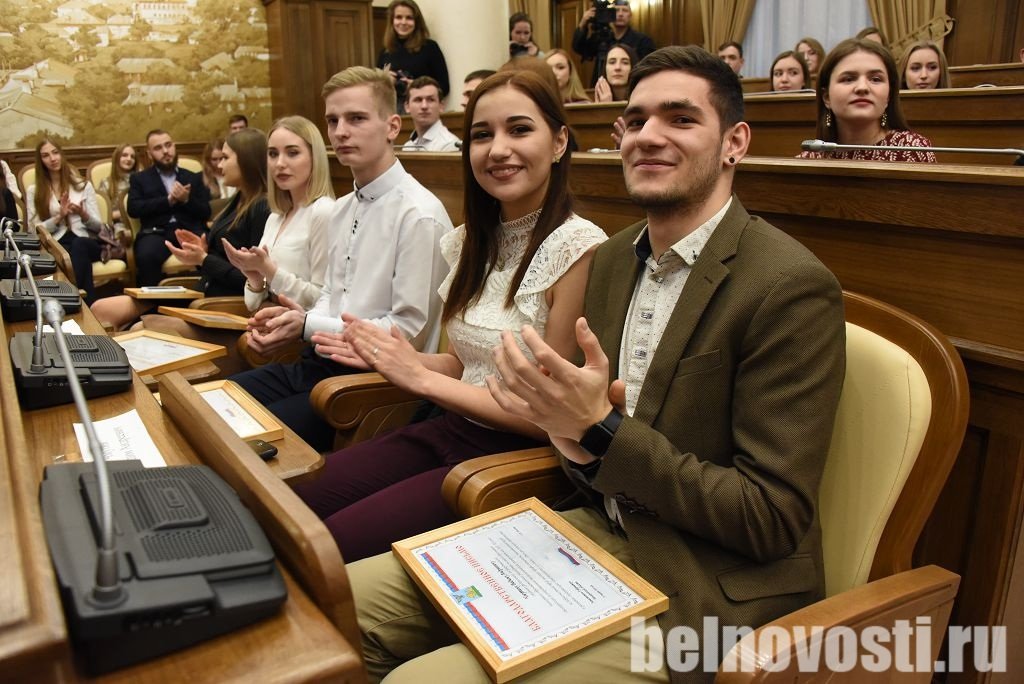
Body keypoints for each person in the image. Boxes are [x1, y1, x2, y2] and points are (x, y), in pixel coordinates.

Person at [348, 45, 846, 680]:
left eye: (680, 119)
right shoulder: (612, 261)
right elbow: (583, 442)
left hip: (708, 580)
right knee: (341, 600)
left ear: (735, 142)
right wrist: (572, 433)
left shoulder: (788, 284)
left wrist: (596, 432)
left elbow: (770, 518)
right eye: (635, 121)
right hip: (589, 527)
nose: (649, 137)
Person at [293, 69, 605, 562]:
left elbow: (554, 418)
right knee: (294, 502)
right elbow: (464, 366)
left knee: (327, 545)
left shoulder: (579, 248)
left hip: (511, 460)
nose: (497, 149)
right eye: (482, 135)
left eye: (519, 130)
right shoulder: (468, 242)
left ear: (560, 141)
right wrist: (392, 356)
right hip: (448, 427)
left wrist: (419, 375)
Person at [229, 66, 452, 453]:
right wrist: (292, 322)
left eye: (357, 118)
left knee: (244, 439)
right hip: (319, 362)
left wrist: (306, 326)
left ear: (393, 126)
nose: (340, 132)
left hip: (376, 382)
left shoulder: (419, 214)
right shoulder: (342, 208)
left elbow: (408, 331)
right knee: (215, 402)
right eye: (333, 120)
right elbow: (331, 295)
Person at [91, 129, 272, 329]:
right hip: (203, 289)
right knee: (101, 308)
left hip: (218, 303)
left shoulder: (261, 207)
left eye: (225, 158)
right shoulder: (239, 198)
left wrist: (203, 258)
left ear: (246, 161)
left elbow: (254, 281)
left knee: (135, 328)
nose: (219, 165)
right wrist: (203, 253)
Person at [224, 115, 335, 313]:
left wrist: (269, 270)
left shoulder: (323, 211)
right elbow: (252, 303)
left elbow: (323, 300)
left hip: (302, 333)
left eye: (292, 153)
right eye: (273, 154)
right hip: (267, 321)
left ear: (314, 157)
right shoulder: (276, 216)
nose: (280, 163)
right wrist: (255, 278)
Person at [801, 38, 936, 162]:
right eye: (848, 79)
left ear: (888, 95)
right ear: (827, 97)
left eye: (876, 79)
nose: (862, 88)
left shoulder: (913, 150)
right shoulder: (808, 160)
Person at [126, 129, 211, 286]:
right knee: (146, 256)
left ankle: (208, 297)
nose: (165, 151)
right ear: (150, 154)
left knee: (213, 246)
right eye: (158, 148)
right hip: (157, 233)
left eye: (168, 145)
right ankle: (154, 306)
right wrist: (168, 201)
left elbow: (206, 212)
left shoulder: (193, 177)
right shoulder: (139, 179)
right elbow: (134, 208)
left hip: (190, 230)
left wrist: (186, 200)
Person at [26, 139, 104, 303]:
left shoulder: (82, 185)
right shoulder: (34, 191)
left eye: (55, 153)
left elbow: (99, 228)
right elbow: (33, 232)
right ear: (41, 161)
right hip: (57, 245)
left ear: (61, 154)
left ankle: (73, 299)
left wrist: (83, 214)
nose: (52, 159)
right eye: (46, 156)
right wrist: (59, 217)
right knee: (68, 254)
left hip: (87, 241)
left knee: (79, 246)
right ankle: (88, 305)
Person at [376, 0, 450, 112]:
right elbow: (375, 91)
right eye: (399, 17)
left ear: (417, 22)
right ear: (392, 21)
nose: (403, 22)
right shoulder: (385, 52)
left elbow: (444, 86)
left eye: (409, 18)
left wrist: (418, 86)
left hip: (422, 109)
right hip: (392, 111)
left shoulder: (430, 47)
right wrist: (385, 81)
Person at [573, 0, 655, 87]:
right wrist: (583, 23)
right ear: (609, 14)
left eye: (624, 10)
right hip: (601, 87)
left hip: (631, 88)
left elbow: (647, 68)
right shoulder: (601, 37)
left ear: (630, 15)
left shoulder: (642, 40)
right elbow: (579, 48)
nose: (620, 14)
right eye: (616, 10)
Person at [401, 76, 461, 151]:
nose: (424, 106)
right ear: (407, 107)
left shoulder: (450, 145)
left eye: (430, 100)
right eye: (418, 100)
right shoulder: (407, 146)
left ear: (441, 106)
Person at [97, 143, 141, 232]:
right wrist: (124, 214)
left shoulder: (142, 179)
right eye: (125, 155)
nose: (129, 159)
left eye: (132, 157)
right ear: (117, 158)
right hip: (118, 226)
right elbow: (103, 213)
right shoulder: (106, 183)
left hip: (141, 222)